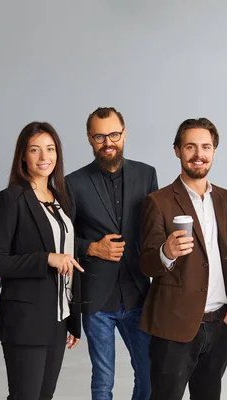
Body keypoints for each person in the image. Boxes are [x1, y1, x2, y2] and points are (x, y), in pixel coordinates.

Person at [139, 117, 227, 400]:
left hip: (221, 324)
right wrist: (166, 252)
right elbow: (146, 263)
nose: (199, 155)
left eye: (206, 147)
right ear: (177, 150)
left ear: (213, 151)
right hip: (174, 326)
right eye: (190, 147)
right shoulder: (158, 201)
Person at [0, 121, 82, 400]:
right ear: (23, 156)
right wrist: (46, 259)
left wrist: (73, 319)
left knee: (45, 396)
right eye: (35, 150)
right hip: (25, 321)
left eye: (50, 149)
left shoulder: (62, 198)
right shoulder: (11, 199)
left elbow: (70, 258)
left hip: (58, 319)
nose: (44, 157)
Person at [66, 107, 158, 400]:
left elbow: (154, 231)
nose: (108, 142)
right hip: (97, 299)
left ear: (124, 133)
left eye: (114, 134)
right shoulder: (72, 183)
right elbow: (63, 239)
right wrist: (92, 247)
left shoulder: (147, 174)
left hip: (139, 295)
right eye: (100, 136)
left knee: (148, 374)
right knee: (103, 380)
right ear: (90, 139)